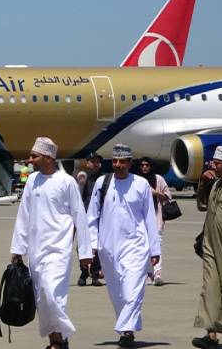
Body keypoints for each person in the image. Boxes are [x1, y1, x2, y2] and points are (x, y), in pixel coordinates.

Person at [11, 137, 93, 349]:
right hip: (36, 251)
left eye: (34, 156)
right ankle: (56, 341)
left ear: (48, 157)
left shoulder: (67, 182)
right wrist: (18, 249)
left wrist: (85, 252)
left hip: (59, 250)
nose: (30, 160)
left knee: (52, 293)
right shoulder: (33, 180)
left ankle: (62, 335)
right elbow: (23, 215)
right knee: (43, 300)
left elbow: (80, 216)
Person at [87, 144, 160, 348]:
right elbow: (92, 216)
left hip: (136, 245)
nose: (118, 165)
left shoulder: (141, 184)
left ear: (130, 163)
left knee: (133, 290)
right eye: (115, 161)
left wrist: (155, 249)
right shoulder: (103, 182)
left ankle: (125, 328)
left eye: (122, 162)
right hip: (107, 247)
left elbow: (149, 219)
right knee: (117, 293)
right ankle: (127, 331)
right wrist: (91, 245)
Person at [191, 146, 222, 349]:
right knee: (209, 288)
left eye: (217, 164)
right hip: (211, 246)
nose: (213, 166)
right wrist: (204, 182)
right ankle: (210, 334)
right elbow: (201, 205)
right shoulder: (216, 184)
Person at [137, 157, 171, 286]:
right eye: (142, 165)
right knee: (142, 248)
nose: (144, 167)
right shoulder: (136, 180)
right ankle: (147, 273)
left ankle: (157, 273)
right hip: (140, 220)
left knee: (156, 246)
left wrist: (156, 193)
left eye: (147, 165)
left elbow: (168, 195)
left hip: (156, 218)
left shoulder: (158, 179)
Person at [78, 152, 105, 287]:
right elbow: (80, 197)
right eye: (92, 161)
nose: (95, 164)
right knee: (83, 246)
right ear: (87, 163)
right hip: (85, 216)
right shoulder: (84, 178)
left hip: (100, 216)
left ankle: (94, 274)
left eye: (97, 162)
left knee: (97, 246)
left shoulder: (104, 179)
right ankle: (83, 272)